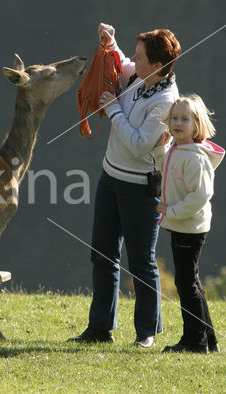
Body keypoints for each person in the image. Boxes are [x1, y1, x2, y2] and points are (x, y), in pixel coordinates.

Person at [69, 23, 181, 346]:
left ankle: (146, 333)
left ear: (157, 67)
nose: (133, 59)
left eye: (140, 56)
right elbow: (122, 61)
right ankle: (100, 328)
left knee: (142, 262)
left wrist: (113, 109)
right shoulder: (139, 75)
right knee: (102, 254)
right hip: (111, 178)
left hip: (140, 187)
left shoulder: (165, 100)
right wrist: (111, 41)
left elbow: (137, 144)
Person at [153, 95, 225, 353]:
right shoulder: (177, 149)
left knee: (186, 284)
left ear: (198, 124)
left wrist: (172, 211)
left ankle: (195, 341)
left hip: (189, 227)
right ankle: (209, 340)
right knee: (190, 281)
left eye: (185, 119)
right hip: (182, 225)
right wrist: (161, 150)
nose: (178, 123)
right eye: (174, 118)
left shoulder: (195, 157)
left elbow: (201, 194)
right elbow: (168, 170)